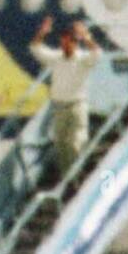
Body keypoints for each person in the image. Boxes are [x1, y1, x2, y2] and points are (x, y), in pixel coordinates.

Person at [29, 16, 100, 174]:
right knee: (60, 145)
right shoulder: (56, 58)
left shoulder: (82, 59)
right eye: (64, 41)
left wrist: (87, 37)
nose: (66, 44)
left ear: (75, 42)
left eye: (70, 41)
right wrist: (42, 33)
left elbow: (97, 54)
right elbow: (35, 48)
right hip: (59, 107)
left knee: (76, 144)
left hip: (77, 106)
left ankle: (77, 176)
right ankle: (66, 178)